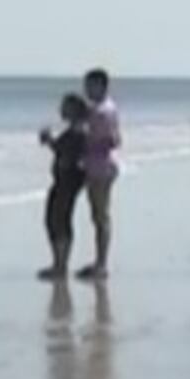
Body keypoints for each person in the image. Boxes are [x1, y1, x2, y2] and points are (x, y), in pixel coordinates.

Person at [37, 92, 92, 281]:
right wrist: (51, 143)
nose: (61, 110)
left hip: (69, 180)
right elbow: (62, 150)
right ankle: (58, 263)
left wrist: (51, 142)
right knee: (54, 219)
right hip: (64, 179)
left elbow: (70, 153)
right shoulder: (75, 129)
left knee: (59, 219)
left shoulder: (79, 131)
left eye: (65, 107)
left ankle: (60, 265)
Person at [76, 68, 123, 280]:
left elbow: (113, 140)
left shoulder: (103, 111)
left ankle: (102, 264)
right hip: (98, 166)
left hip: (101, 168)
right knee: (98, 216)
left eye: (90, 86)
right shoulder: (103, 109)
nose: (86, 90)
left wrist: (87, 146)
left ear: (101, 86)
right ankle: (99, 261)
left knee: (101, 216)